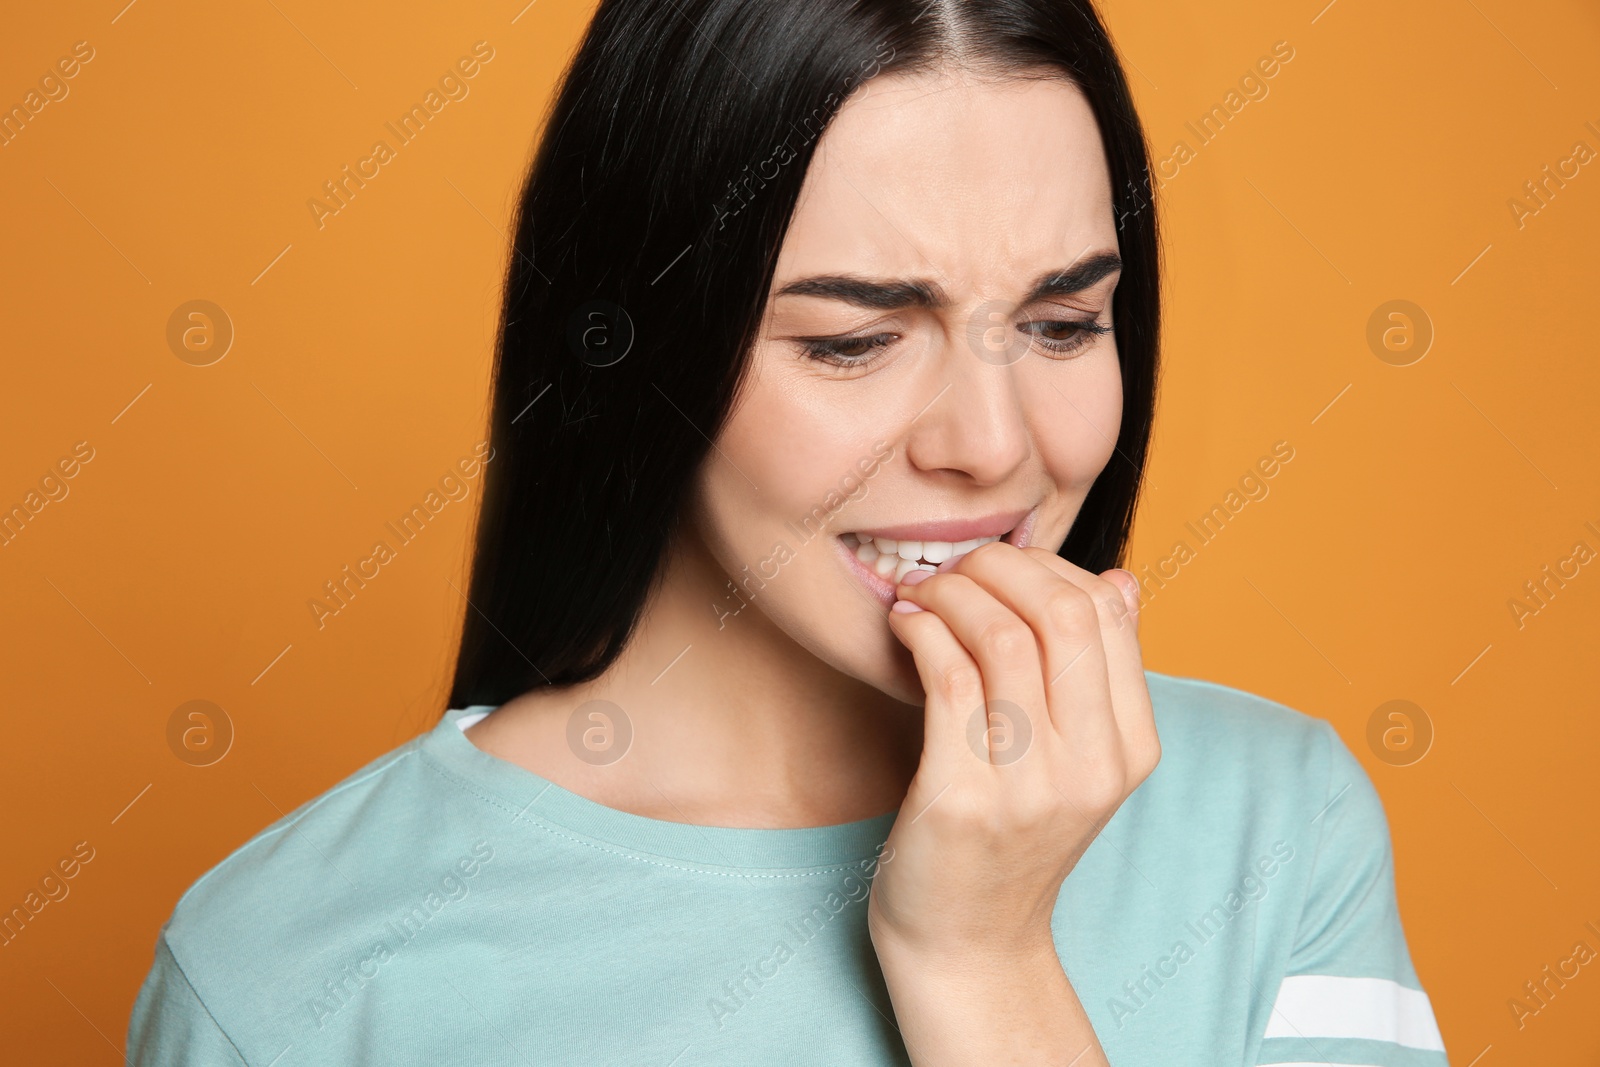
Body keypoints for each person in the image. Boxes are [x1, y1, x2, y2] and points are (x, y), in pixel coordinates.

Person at [127, 0, 1449, 1063]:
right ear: (633, 348)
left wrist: (979, 963)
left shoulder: (1276, 827)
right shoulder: (286, 970)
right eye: (854, 341)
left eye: (1062, 323)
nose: (989, 442)